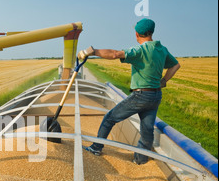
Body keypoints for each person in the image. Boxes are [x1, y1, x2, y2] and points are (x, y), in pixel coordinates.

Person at [78, 18, 181, 165]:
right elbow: (176, 65)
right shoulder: (161, 49)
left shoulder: (140, 50)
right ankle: (140, 159)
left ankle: (96, 147)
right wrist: (163, 81)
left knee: (110, 118)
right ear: (151, 32)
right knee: (147, 129)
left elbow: (114, 54)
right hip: (156, 95)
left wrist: (92, 51)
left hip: (141, 95)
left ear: (137, 34)